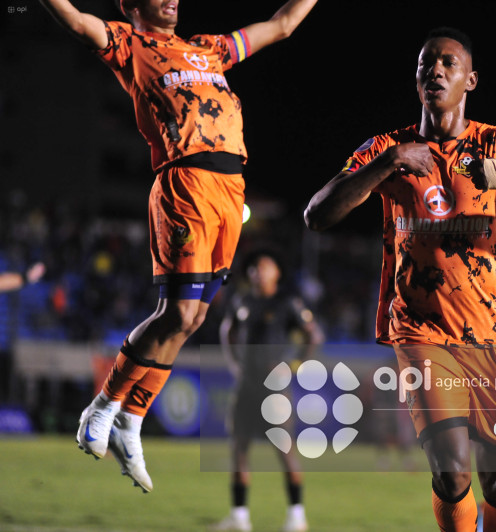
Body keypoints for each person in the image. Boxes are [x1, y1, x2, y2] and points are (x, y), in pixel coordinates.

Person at [304, 27, 496, 532]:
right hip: (420, 330)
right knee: (452, 467)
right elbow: (317, 213)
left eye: (447, 63)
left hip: (494, 336)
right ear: (416, 79)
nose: (435, 70)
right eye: (426, 64)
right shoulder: (386, 148)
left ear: (470, 80)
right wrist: (388, 164)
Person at [39, 0, 319, 492]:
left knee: (195, 319)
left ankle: (132, 421)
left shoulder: (208, 49)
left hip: (232, 191)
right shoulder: (131, 45)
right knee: (176, 312)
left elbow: (283, 24)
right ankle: (102, 408)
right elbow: (78, 21)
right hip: (185, 182)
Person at [211, 249, 323, 532]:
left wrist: (295, 365)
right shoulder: (243, 300)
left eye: (264, 267)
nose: (257, 272)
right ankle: (239, 517)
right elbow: (227, 330)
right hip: (246, 384)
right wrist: (234, 362)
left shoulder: (286, 302)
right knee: (239, 447)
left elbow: (314, 334)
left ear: (277, 273)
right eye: (254, 268)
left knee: (284, 450)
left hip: (275, 388)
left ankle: (297, 516)